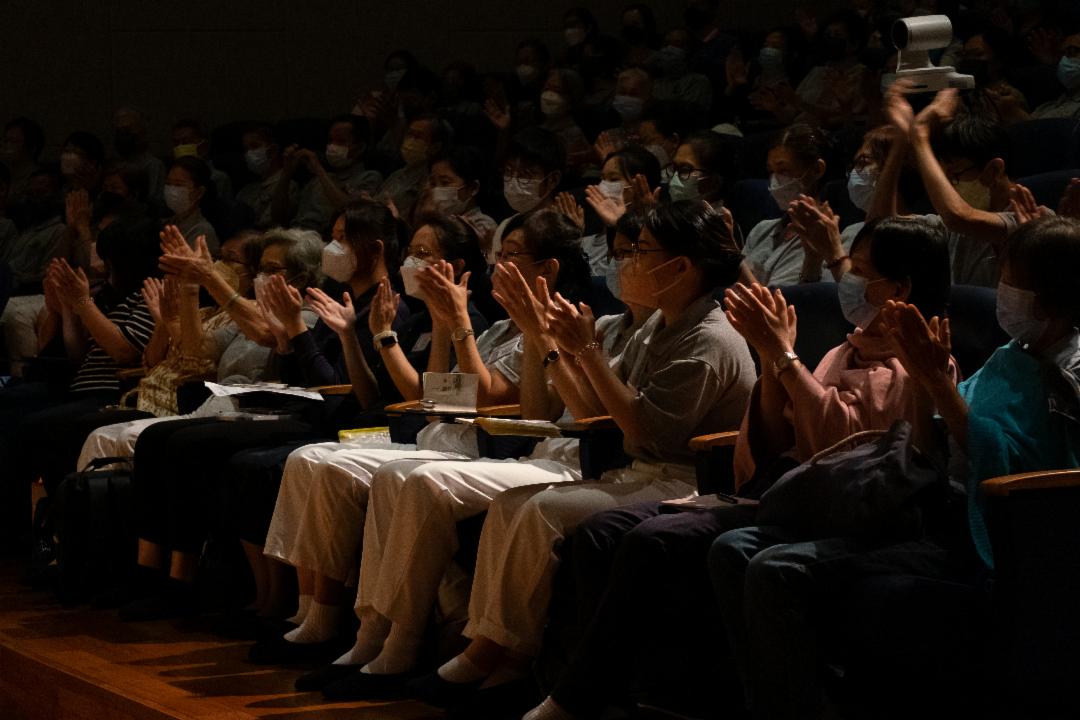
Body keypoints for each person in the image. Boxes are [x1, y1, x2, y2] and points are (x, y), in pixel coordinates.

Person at [708, 214, 1080, 720]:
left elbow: (1024, 467)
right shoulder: (1011, 354)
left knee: (778, 568)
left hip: (983, 536)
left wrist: (935, 384)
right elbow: (925, 449)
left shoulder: (1070, 373)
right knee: (732, 548)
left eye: (1011, 279)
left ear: (1050, 293)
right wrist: (931, 394)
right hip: (920, 504)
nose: (1001, 290)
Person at [394, 201, 755, 714]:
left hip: (685, 477)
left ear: (679, 267)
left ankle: (498, 658)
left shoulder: (710, 337)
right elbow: (591, 412)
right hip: (637, 466)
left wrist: (583, 352)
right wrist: (551, 343)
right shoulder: (658, 327)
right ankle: (494, 656)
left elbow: (644, 432)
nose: (624, 262)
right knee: (512, 504)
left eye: (638, 252)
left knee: (540, 510)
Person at [248, 210, 588, 675]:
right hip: (437, 431)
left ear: (547, 268)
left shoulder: (544, 324)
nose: (500, 265)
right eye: (500, 254)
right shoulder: (494, 328)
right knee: (310, 458)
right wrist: (424, 328)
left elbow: (486, 397)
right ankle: (320, 616)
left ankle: (394, 643)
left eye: (512, 256)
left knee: (394, 476)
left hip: (481, 447)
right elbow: (437, 392)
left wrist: (457, 320)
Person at [118, 200, 409, 620]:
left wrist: (293, 330)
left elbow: (335, 385)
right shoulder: (338, 297)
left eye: (343, 239)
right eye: (334, 236)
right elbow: (292, 365)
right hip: (296, 407)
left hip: (336, 423)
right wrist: (290, 339)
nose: (334, 246)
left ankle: (241, 593)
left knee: (215, 454)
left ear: (377, 248)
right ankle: (153, 573)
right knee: (158, 436)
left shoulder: (384, 307)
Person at [243, 214, 493, 635]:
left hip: (421, 435)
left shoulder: (474, 322)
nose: (411, 262)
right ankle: (305, 610)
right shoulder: (412, 315)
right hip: (399, 425)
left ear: (458, 265)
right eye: (410, 252)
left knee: (322, 463)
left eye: (425, 254)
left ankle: (333, 618)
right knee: (307, 460)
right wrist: (368, 333)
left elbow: (431, 401)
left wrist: (389, 334)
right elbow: (419, 396)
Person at [0, 216, 159, 550]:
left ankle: (32, 528)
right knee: (10, 403)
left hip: (114, 393)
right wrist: (63, 308)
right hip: (80, 387)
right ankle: (22, 522)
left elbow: (122, 351)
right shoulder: (107, 295)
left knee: (33, 427)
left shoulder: (147, 295)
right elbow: (75, 353)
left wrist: (83, 303)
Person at [881, 83, 1038, 288]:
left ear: (994, 170)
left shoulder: (1030, 220)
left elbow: (959, 217)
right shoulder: (950, 227)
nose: (947, 188)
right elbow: (882, 224)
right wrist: (901, 140)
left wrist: (920, 133)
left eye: (955, 175)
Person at [741, 123, 833, 285]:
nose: (774, 181)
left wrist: (731, 255)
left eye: (784, 171)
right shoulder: (761, 229)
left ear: (817, 170)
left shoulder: (829, 236)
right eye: (771, 171)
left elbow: (778, 301)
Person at [277, 115, 382, 233]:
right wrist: (286, 173)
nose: (332, 147)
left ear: (360, 148)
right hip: (294, 234)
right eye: (330, 141)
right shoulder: (317, 180)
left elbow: (348, 212)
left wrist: (318, 168)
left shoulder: (369, 177)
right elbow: (280, 217)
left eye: (340, 142)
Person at [412, 146, 498, 264]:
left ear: (473, 188)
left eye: (445, 182)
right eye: (433, 183)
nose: (437, 189)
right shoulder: (436, 218)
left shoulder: (484, 225)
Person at [491, 127, 566, 262]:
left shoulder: (565, 227)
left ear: (553, 179)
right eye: (508, 171)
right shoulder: (506, 225)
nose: (514, 181)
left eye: (525, 174)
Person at [377, 115, 447, 220]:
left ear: (435, 147)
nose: (410, 141)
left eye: (418, 137)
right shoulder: (397, 174)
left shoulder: (430, 181)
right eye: (409, 134)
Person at [235, 123, 294, 228]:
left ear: (273, 151)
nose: (248, 153)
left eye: (254, 146)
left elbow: (275, 222)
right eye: (245, 149)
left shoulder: (287, 185)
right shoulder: (246, 190)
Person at [163, 156, 220, 255]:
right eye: (168, 183)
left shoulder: (202, 232)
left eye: (179, 185)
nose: (171, 190)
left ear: (199, 192)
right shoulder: (169, 222)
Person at [649, 29, 714, 116]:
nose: (669, 49)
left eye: (677, 44)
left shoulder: (698, 81)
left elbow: (687, 115)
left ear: (688, 49)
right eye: (667, 44)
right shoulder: (656, 84)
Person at [113, 106, 167, 204]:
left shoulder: (154, 166)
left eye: (127, 130)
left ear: (141, 132)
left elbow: (153, 203)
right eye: (119, 131)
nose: (123, 135)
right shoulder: (115, 165)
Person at [171, 118, 232, 201]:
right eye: (176, 143)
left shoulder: (217, 178)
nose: (180, 147)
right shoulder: (170, 177)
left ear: (204, 146)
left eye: (186, 142)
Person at [0, 116, 45, 202]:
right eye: (6, 141)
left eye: (14, 141)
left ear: (32, 147)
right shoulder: (4, 173)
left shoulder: (40, 180)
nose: (7, 146)